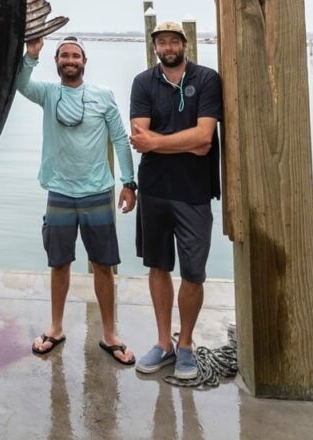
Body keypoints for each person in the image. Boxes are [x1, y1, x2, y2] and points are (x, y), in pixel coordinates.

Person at [16, 36, 138, 365]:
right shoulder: (48, 93)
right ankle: (55, 328)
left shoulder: (102, 96)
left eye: (76, 55)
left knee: (103, 265)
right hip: (59, 191)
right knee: (58, 263)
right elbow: (20, 84)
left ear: (85, 62)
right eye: (64, 55)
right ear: (57, 61)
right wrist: (32, 54)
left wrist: (129, 182)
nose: (70, 60)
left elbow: (120, 140)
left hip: (97, 191)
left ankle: (110, 333)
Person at [129, 21, 222, 380]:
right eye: (161, 42)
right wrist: (184, 142)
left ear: (185, 43)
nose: (168, 47)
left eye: (173, 41)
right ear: (155, 47)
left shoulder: (208, 79)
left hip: (195, 192)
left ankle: (185, 344)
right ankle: (163, 343)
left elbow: (205, 137)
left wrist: (159, 142)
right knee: (158, 267)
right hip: (153, 189)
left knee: (194, 272)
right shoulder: (142, 82)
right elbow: (141, 136)